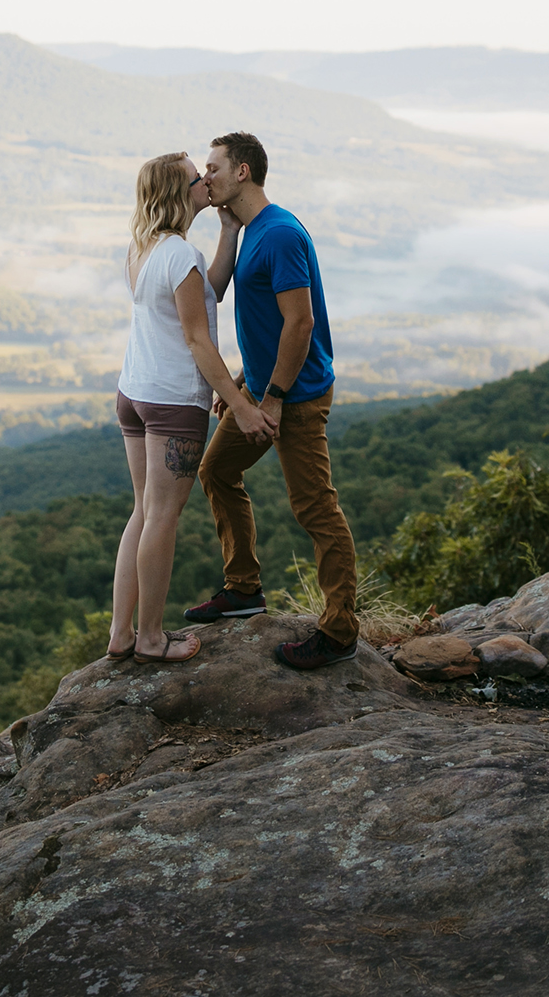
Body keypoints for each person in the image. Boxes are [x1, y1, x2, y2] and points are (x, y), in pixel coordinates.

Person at [183, 131, 362, 670]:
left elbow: (300, 323)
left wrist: (275, 397)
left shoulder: (280, 234)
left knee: (315, 508)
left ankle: (339, 631)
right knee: (216, 472)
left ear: (242, 172)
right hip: (263, 389)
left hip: (296, 396)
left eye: (212, 167)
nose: (204, 176)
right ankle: (243, 590)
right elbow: (265, 322)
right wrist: (243, 381)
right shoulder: (251, 231)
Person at [108, 152, 275, 664]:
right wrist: (242, 407)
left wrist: (227, 231)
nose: (205, 180)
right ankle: (153, 639)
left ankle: (121, 635)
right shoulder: (181, 254)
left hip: (133, 393)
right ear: (178, 193)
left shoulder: (144, 247)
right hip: (172, 402)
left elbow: (205, 295)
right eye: (193, 177)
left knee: (143, 511)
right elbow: (199, 340)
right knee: (163, 516)